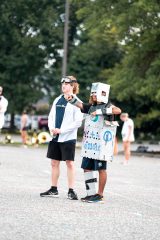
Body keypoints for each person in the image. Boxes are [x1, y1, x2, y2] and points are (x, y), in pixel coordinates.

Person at [65, 82, 121, 203]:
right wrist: (71, 99)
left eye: (96, 93)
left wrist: (101, 112)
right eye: (93, 93)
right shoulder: (91, 106)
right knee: (87, 168)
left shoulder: (108, 105)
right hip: (90, 144)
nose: (94, 95)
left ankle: (100, 195)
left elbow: (118, 110)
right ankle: (91, 193)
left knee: (101, 169)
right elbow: (80, 105)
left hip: (101, 146)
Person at [40, 76, 83, 200]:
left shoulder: (76, 101)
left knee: (69, 163)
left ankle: (71, 191)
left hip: (68, 137)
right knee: (54, 163)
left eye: (66, 83)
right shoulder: (57, 99)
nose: (63, 85)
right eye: (62, 83)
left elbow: (78, 122)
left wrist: (62, 131)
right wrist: (51, 129)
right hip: (55, 137)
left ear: (72, 86)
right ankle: (53, 189)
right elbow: (51, 116)